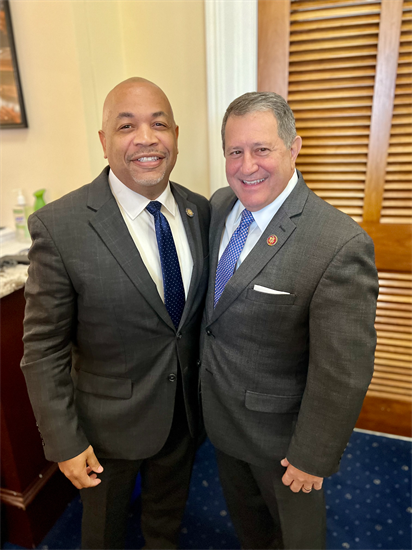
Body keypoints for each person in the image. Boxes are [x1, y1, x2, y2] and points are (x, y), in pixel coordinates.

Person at [21, 77, 210, 550]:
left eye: (159, 124)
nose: (146, 138)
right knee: (102, 533)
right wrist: (63, 441)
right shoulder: (61, 226)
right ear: (105, 142)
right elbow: (43, 348)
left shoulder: (200, 211)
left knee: (166, 522)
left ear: (176, 136)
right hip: (105, 430)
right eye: (127, 126)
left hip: (182, 417)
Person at [200, 91, 378, 550]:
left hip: (284, 444)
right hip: (223, 421)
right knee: (251, 530)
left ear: (293, 147)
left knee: (296, 537)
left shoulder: (338, 243)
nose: (247, 166)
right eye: (235, 152)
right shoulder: (220, 206)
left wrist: (311, 456)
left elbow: (343, 369)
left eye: (262, 149)